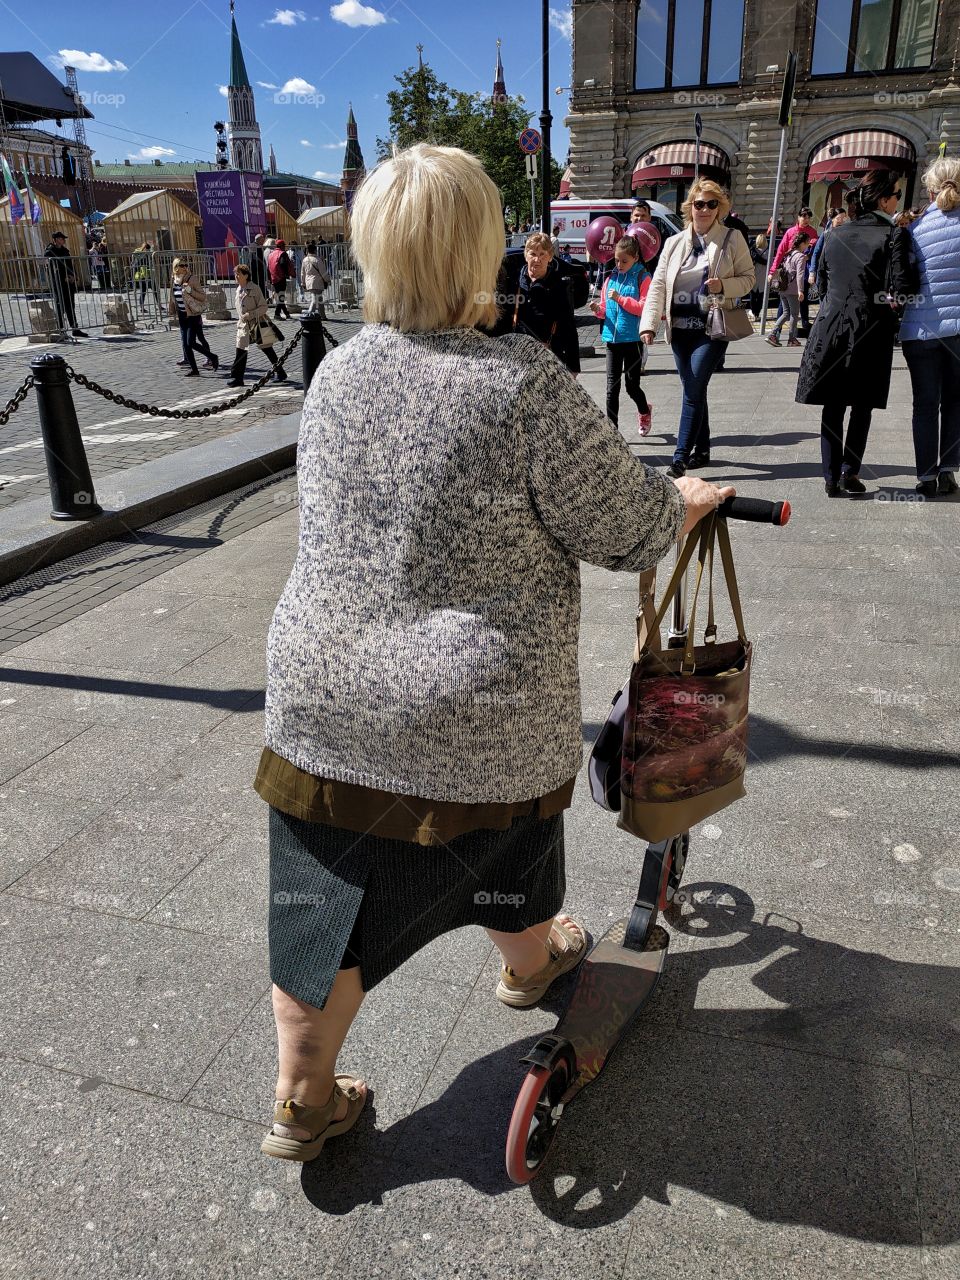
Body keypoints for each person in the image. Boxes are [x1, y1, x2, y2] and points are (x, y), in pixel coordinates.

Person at [253, 143, 733, 1163]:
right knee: (507, 840)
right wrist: (680, 505)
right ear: (485, 247)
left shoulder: (337, 373)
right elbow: (624, 529)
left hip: (320, 698)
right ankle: (530, 953)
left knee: (319, 894)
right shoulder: (523, 382)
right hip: (478, 707)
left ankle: (301, 1088)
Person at [796, 170, 915, 495]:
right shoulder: (894, 235)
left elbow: (820, 281)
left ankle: (831, 477)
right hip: (871, 328)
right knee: (862, 404)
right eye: (896, 196)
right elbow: (903, 287)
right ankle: (850, 471)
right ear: (883, 199)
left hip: (830, 324)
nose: (897, 202)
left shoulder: (835, 233)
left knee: (833, 404)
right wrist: (893, 313)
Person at [639, 179, 755, 476]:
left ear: (720, 208)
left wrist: (724, 285)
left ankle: (679, 458)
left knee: (692, 388)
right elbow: (659, 286)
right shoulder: (674, 243)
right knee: (696, 388)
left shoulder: (731, 239)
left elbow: (749, 278)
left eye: (711, 204)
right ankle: (702, 450)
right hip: (679, 330)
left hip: (712, 328)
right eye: (699, 204)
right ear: (690, 207)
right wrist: (649, 325)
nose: (704, 209)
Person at [899, 156, 960, 496]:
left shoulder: (915, 227)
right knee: (955, 401)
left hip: (918, 330)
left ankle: (925, 477)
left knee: (924, 403)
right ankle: (949, 471)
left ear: (931, 188)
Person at [495, 231, 580, 375]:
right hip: (518, 358)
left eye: (542, 254)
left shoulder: (558, 286)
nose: (537, 259)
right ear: (526, 255)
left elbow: (569, 326)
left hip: (549, 357)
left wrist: (573, 367)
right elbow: (502, 321)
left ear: (550, 257)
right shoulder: (514, 283)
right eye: (533, 254)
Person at [592, 235, 653, 433]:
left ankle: (644, 411)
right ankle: (613, 432)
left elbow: (643, 308)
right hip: (612, 339)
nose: (619, 264)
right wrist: (596, 309)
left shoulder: (642, 277)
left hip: (633, 339)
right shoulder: (610, 278)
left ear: (635, 257)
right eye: (617, 260)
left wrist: (620, 298)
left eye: (624, 261)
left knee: (632, 386)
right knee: (612, 388)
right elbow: (604, 309)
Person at [226, 263, 287, 386]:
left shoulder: (254, 288)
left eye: (239, 274)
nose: (236, 276)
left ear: (246, 275)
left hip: (257, 323)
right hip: (243, 326)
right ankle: (237, 378)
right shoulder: (238, 289)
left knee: (267, 348)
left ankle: (280, 372)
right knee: (241, 349)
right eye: (235, 274)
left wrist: (251, 314)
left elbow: (264, 307)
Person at [770, 208, 819, 335]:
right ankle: (777, 331)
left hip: (804, 271)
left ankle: (804, 326)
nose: (806, 220)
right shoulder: (791, 232)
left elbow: (816, 251)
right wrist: (772, 271)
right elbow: (780, 251)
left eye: (808, 217)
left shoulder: (812, 232)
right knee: (785, 303)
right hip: (789, 273)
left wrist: (812, 250)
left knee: (803, 300)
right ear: (798, 217)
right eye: (804, 217)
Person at [167, 258, 217, 377]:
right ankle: (195, 370)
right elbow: (172, 295)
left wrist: (190, 291)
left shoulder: (192, 279)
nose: (185, 267)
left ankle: (212, 357)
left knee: (191, 343)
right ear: (176, 267)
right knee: (186, 344)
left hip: (193, 315)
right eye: (181, 265)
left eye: (186, 265)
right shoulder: (174, 279)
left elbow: (202, 297)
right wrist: (171, 308)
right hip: (182, 315)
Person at [765, 233, 811, 347]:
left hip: (783, 288)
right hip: (793, 290)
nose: (808, 245)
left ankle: (773, 334)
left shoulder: (789, 254)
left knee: (786, 313)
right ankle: (791, 338)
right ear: (802, 243)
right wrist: (801, 290)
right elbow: (800, 275)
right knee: (794, 314)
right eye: (807, 243)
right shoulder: (800, 257)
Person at [44, 231, 87, 337]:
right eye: (61, 238)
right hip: (58, 282)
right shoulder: (49, 251)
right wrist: (64, 276)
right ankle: (61, 329)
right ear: (56, 239)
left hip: (69, 282)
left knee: (70, 305)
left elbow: (69, 264)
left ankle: (75, 328)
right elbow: (51, 267)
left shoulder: (65, 250)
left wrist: (73, 275)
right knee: (60, 306)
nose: (63, 240)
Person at [300, 241, 330, 317]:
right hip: (317, 282)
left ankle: (323, 316)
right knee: (315, 300)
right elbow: (323, 272)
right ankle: (309, 314)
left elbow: (302, 273)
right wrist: (327, 280)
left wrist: (303, 283)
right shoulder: (317, 260)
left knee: (319, 299)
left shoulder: (304, 260)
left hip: (309, 282)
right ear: (315, 250)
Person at [268, 238, 294, 319]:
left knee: (280, 296)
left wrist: (270, 278)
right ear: (281, 246)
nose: (285, 247)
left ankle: (287, 313)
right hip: (281, 277)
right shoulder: (282, 253)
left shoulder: (271, 254)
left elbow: (268, 267)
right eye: (284, 245)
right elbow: (283, 264)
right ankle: (277, 314)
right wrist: (286, 274)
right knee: (281, 296)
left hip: (273, 277)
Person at [132, 242, 152, 312]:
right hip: (142, 275)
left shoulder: (138, 253)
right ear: (146, 249)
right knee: (143, 291)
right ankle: (142, 307)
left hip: (144, 274)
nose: (149, 251)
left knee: (143, 291)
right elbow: (136, 264)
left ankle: (142, 307)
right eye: (148, 250)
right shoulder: (141, 255)